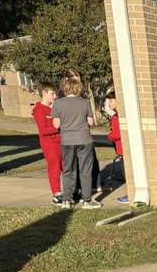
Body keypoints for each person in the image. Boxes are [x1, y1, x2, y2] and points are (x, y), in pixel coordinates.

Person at [52, 74, 100, 209]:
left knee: (68, 170)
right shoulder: (85, 102)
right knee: (85, 170)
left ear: (65, 88)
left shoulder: (58, 103)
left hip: (67, 141)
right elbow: (90, 122)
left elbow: (56, 125)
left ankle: (67, 200)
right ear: (79, 88)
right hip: (84, 139)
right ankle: (86, 200)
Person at [31, 83, 63, 204]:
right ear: (44, 93)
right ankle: (57, 193)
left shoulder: (54, 107)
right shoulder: (39, 110)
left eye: (55, 94)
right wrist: (58, 128)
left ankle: (72, 189)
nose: (55, 96)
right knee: (55, 167)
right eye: (52, 93)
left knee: (66, 166)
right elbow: (43, 130)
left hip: (61, 141)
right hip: (50, 144)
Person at [99, 90, 126, 193]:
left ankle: (129, 194)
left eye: (111, 100)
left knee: (126, 172)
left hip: (121, 148)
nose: (109, 103)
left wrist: (110, 135)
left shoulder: (115, 117)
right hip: (124, 147)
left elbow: (116, 135)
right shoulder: (120, 114)